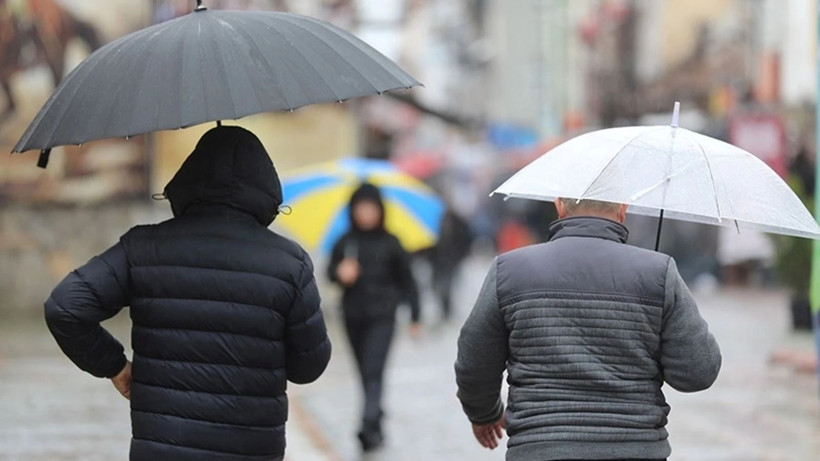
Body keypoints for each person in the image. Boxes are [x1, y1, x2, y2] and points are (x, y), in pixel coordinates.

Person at [44, 126, 332, 461]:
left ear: (188, 179)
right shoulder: (289, 263)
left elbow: (66, 307)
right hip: (251, 449)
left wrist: (116, 366)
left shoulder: (143, 247)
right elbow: (308, 367)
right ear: (266, 185)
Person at [455, 198, 721, 461]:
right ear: (623, 209)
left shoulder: (508, 270)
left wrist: (484, 415)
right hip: (636, 448)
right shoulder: (657, 271)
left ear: (559, 206)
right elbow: (698, 372)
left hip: (540, 448)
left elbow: (474, 361)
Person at [327, 183, 421, 451]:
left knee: (373, 370)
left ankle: (368, 423)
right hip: (353, 316)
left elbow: (408, 282)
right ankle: (375, 421)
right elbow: (329, 273)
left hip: (383, 317)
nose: (366, 213)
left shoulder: (391, 242)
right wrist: (340, 274)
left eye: (371, 208)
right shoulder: (345, 242)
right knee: (364, 372)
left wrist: (415, 316)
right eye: (361, 208)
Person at [430, 207, 472, 319]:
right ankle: (444, 309)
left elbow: (464, 239)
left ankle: (447, 310)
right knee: (438, 286)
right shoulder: (433, 221)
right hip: (438, 260)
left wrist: (461, 255)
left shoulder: (457, 222)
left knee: (447, 286)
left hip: (451, 260)